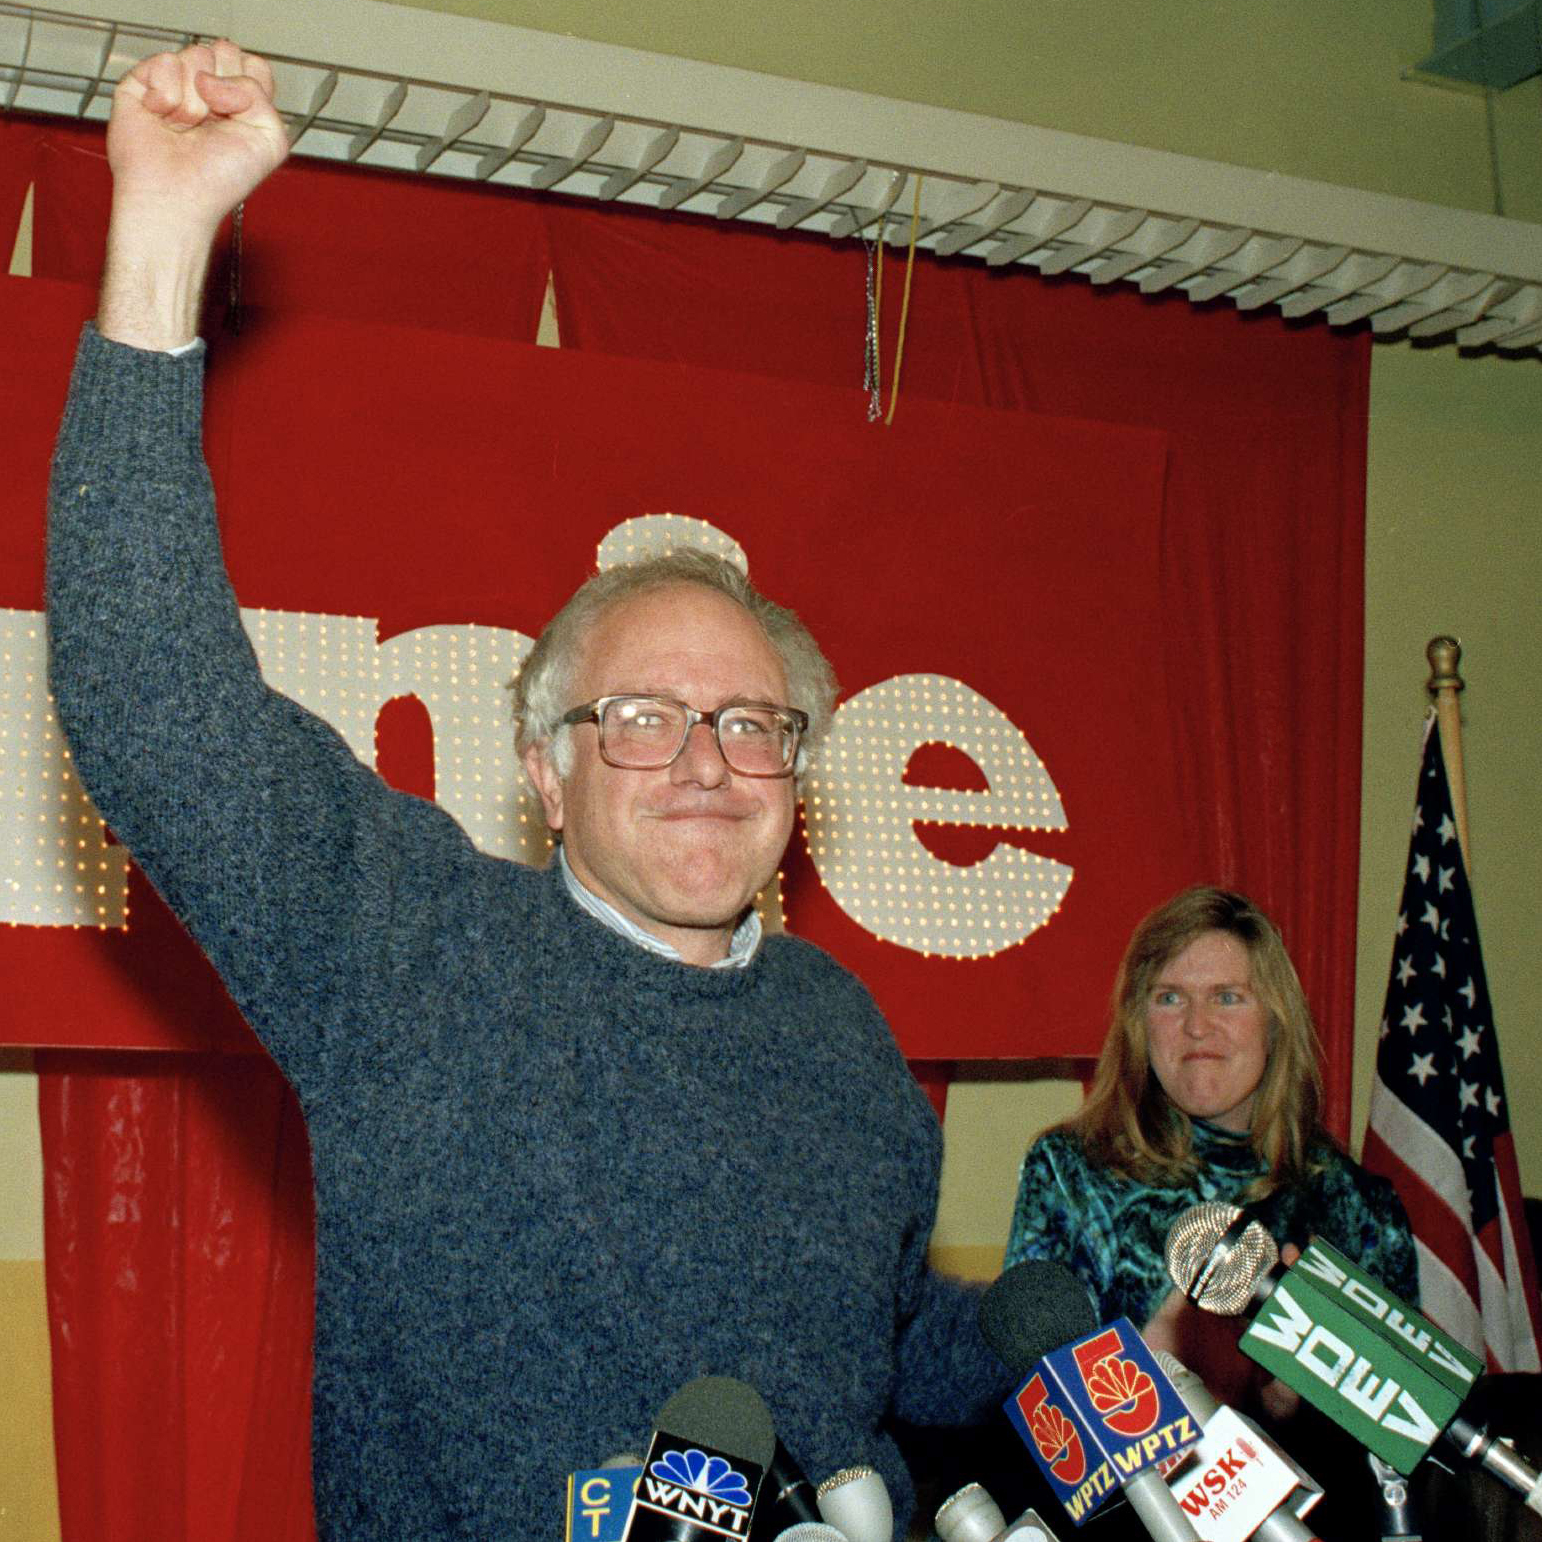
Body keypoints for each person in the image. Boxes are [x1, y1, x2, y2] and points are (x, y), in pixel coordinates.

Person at [45, 41, 1007, 1540]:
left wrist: (1085, 1330)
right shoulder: (418, 955)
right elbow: (150, 696)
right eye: (642, 719)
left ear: (797, 772)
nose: (706, 760)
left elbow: (871, 1350)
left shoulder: (839, 1029)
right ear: (545, 773)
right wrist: (165, 238)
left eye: (751, 723)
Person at [1005, 885, 1417, 1409]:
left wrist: (1298, 1409)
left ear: (1275, 1022)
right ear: (1138, 1025)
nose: (1197, 1026)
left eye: (1227, 997)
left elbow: (1400, 1426)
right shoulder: (1069, 1172)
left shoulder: (1355, 1204)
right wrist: (1159, 1358)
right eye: (1170, 998)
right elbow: (1037, 1405)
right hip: (1127, 1461)